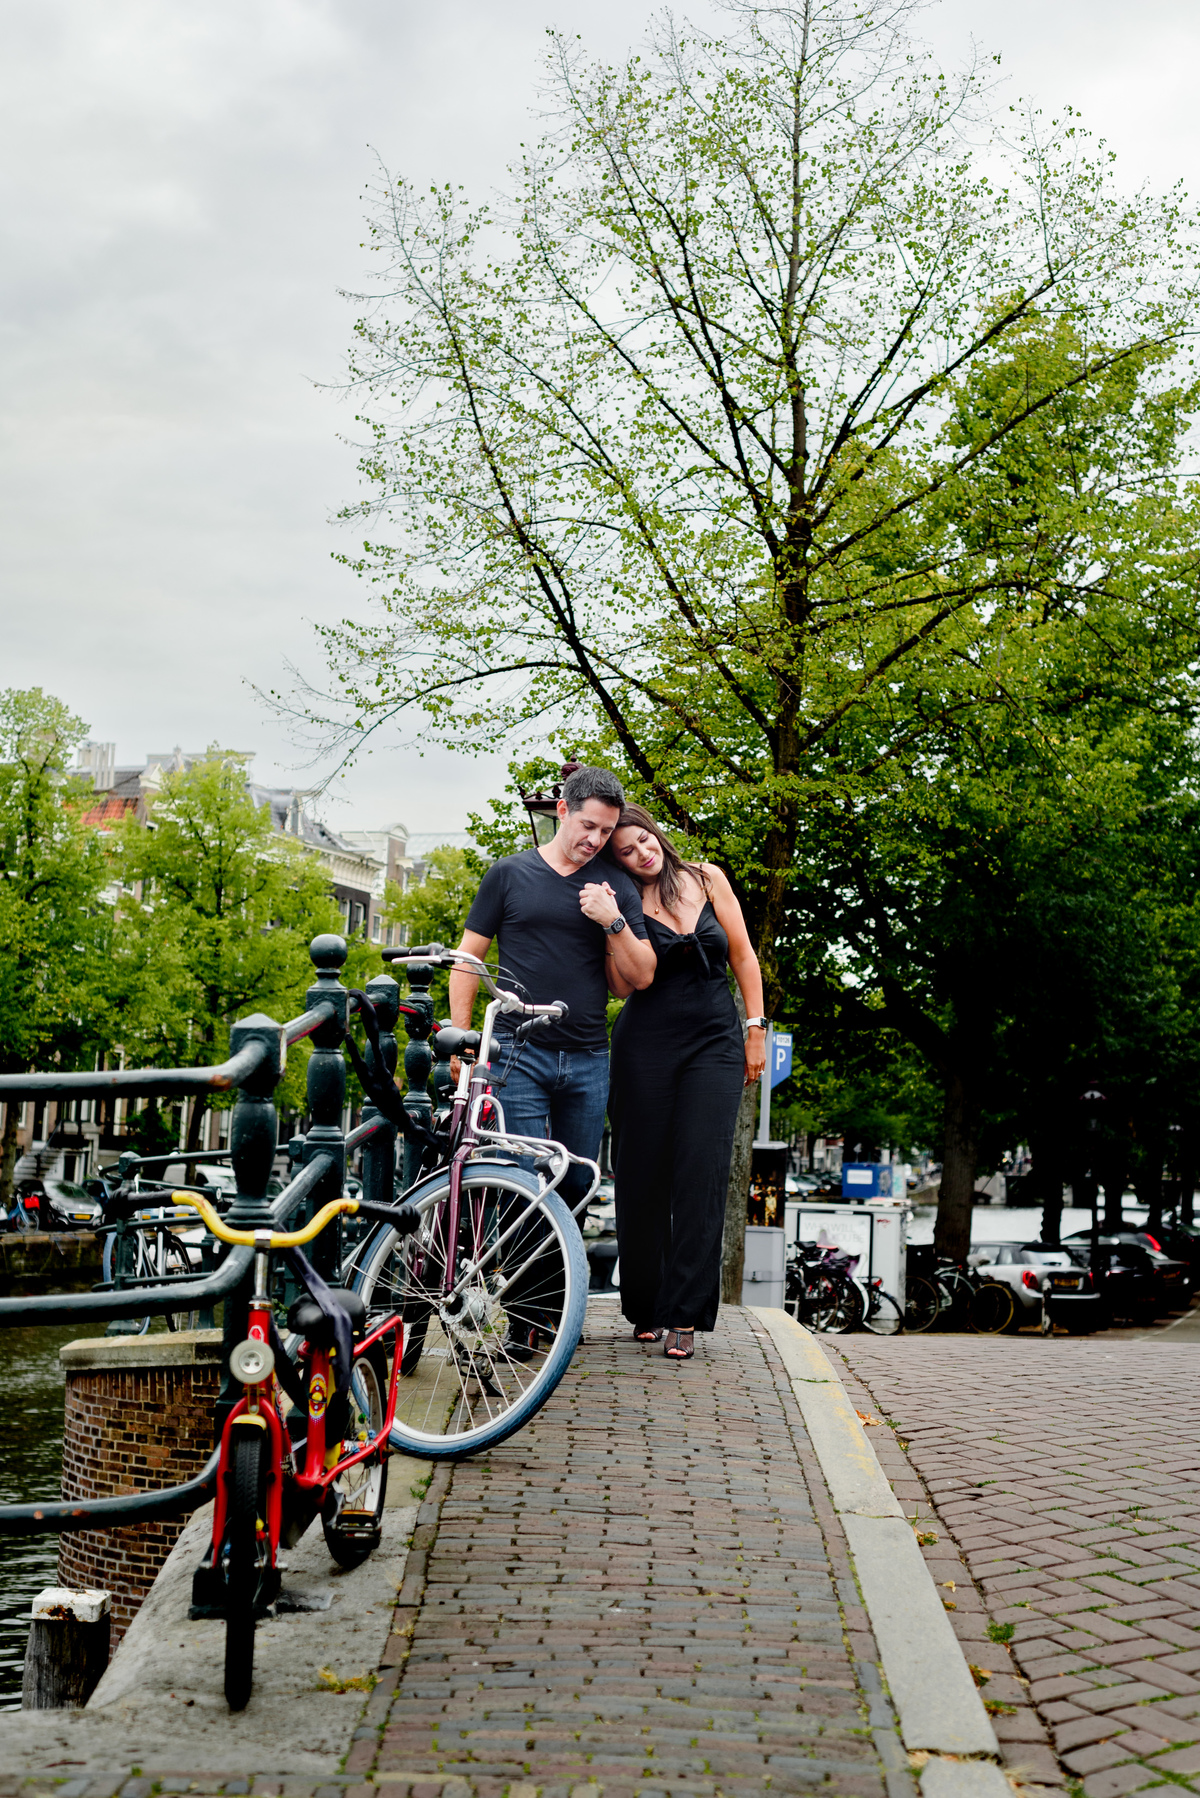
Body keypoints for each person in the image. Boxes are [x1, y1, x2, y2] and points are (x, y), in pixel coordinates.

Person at [448, 767, 656, 1309]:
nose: (595, 840)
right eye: (588, 825)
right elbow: (469, 958)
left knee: (574, 1185)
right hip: (519, 1051)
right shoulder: (509, 875)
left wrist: (612, 921)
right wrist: (464, 1038)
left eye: (606, 831)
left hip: (588, 1056)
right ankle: (520, 1314)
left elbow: (642, 976)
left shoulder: (615, 890)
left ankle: (552, 1307)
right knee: (519, 1184)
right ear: (561, 811)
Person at [600, 804, 768, 1360]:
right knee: (642, 1174)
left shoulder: (706, 876)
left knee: (702, 1169)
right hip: (643, 1046)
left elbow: (742, 955)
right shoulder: (621, 899)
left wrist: (755, 1028)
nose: (641, 852)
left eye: (643, 840)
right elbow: (621, 988)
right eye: (625, 850)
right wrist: (614, 925)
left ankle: (686, 1314)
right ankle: (645, 1304)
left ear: (656, 834)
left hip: (715, 1043)